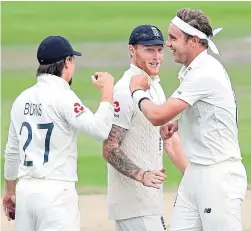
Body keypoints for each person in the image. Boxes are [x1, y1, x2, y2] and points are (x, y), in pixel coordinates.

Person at [129, 8, 248, 231]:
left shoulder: (204, 73)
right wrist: (181, 122)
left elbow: (157, 116)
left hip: (217, 176)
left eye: (173, 38)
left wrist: (137, 91)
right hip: (195, 174)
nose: (167, 44)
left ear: (193, 40)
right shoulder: (194, 70)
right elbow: (208, 110)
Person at [3, 35, 115, 231]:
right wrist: (107, 92)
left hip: (26, 191)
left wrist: (10, 190)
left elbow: (12, 152)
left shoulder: (22, 99)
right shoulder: (64, 97)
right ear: (66, 62)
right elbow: (100, 130)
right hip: (56, 195)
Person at [102, 24, 186, 231]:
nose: (156, 56)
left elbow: (170, 143)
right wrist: (142, 175)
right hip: (135, 207)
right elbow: (109, 147)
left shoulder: (153, 86)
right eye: (149, 49)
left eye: (159, 49)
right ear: (132, 50)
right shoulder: (123, 91)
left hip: (148, 204)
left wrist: (193, 176)